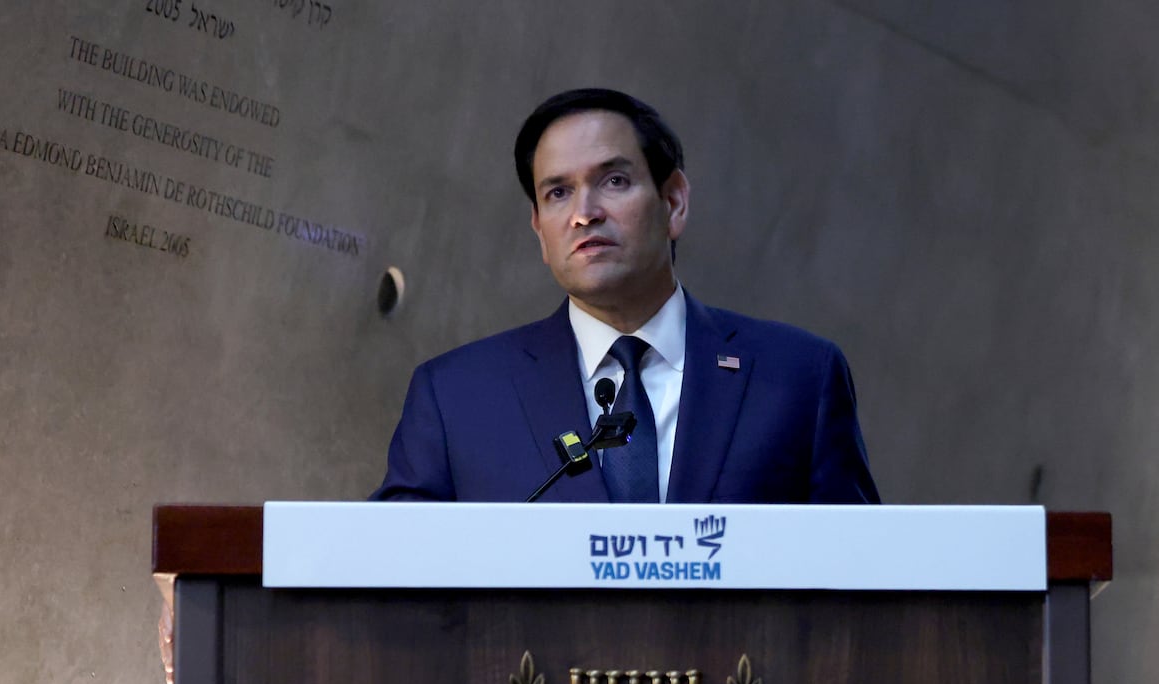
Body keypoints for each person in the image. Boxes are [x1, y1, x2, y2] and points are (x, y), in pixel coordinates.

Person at [371, 88, 879, 504]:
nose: (584, 213)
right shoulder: (458, 395)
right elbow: (385, 575)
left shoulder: (797, 378)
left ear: (674, 202)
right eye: (557, 193)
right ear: (539, 230)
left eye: (613, 180)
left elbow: (865, 579)